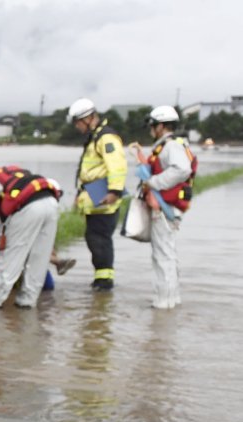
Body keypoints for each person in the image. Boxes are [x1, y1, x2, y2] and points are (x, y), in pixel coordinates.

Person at [0, 160, 62, 309]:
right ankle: (26, 304)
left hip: (28, 208)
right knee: (39, 260)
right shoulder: (10, 176)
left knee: (10, 261)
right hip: (51, 203)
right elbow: (4, 221)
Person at [135, 105, 197, 309]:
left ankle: (163, 303)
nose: (151, 129)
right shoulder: (172, 145)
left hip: (164, 207)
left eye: (153, 125)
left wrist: (153, 182)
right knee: (167, 255)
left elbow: (182, 169)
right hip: (167, 206)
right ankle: (171, 300)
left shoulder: (171, 146)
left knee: (162, 256)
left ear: (161, 126)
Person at [67, 98, 128, 292]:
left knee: (99, 239)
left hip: (104, 198)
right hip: (94, 196)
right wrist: (79, 194)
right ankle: (101, 279)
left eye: (78, 123)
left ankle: (104, 282)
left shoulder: (106, 137)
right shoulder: (95, 138)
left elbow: (117, 166)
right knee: (94, 238)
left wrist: (114, 192)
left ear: (89, 118)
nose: (77, 127)